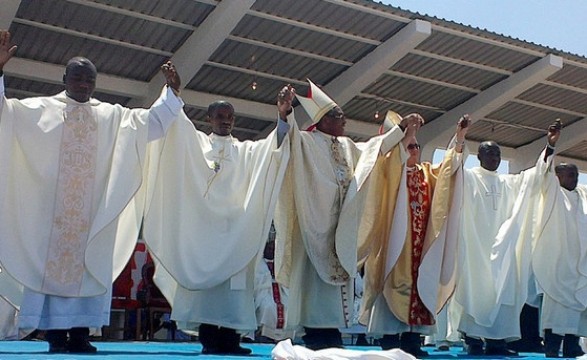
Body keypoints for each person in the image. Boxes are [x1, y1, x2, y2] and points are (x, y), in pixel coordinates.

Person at [0, 30, 183, 353]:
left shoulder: (110, 116)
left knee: (91, 268)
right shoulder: (39, 109)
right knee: (51, 271)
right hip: (51, 219)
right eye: (78, 77)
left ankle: (81, 334)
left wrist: (171, 93)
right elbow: (4, 115)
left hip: (92, 218)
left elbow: (150, 125)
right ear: (65, 78)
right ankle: (56, 336)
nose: (84, 84)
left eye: (89, 79)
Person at [274, 81, 423, 350]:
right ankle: (315, 334)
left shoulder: (348, 147)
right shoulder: (306, 142)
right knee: (313, 286)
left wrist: (401, 130)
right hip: (313, 224)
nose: (344, 120)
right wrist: (286, 114)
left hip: (341, 226)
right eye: (338, 115)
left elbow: (375, 151)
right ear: (323, 119)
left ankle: (329, 333)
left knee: (335, 285)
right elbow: (285, 142)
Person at [141, 95, 291, 355]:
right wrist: (173, 94)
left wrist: (283, 117)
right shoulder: (198, 145)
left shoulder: (245, 151)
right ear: (209, 119)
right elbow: (178, 130)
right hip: (205, 235)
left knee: (235, 291)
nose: (226, 121)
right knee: (208, 291)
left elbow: (273, 148)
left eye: (230, 116)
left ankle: (231, 338)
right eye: (220, 116)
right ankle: (209, 339)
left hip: (235, 233)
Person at [359, 115, 469, 357]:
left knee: (419, 286)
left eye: (417, 146)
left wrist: (458, 139)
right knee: (393, 284)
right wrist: (405, 133)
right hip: (394, 243)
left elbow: (448, 171)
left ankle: (412, 340)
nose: (415, 150)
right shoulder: (391, 171)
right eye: (409, 146)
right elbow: (383, 163)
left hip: (420, 246)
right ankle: (389, 338)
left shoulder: (428, 173)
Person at [453, 120, 561, 355]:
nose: (496, 157)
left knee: (503, 290)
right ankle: (473, 339)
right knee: (477, 288)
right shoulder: (471, 177)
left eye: (498, 154)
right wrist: (460, 138)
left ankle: (497, 341)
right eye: (490, 153)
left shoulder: (509, 182)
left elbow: (535, 175)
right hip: (477, 246)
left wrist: (550, 146)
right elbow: (454, 166)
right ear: (480, 156)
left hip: (503, 248)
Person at [533, 162, 586, 358]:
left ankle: (572, 345)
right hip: (557, 263)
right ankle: (552, 346)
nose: (575, 178)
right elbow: (544, 174)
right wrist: (551, 146)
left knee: (577, 306)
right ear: (558, 177)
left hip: (579, 262)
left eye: (576, 174)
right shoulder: (553, 194)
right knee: (556, 309)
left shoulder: (582, 196)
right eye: (570, 174)